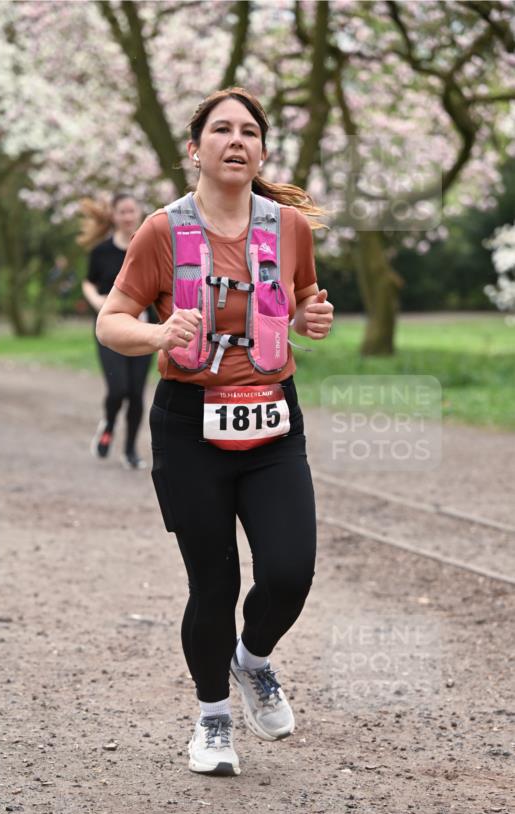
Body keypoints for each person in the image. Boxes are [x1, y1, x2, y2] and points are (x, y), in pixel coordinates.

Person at [97, 88, 334, 776]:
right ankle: (211, 721)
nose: (237, 140)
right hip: (188, 426)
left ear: (261, 151)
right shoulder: (162, 231)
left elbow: (299, 303)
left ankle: (251, 659)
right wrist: (154, 332)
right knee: (213, 583)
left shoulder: (288, 228)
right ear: (194, 150)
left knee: (289, 572)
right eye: (221, 130)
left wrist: (307, 321)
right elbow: (110, 319)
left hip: (271, 418)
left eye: (249, 132)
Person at [80, 194, 155, 471]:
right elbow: (88, 282)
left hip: (144, 328)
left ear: (139, 213)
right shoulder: (101, 252)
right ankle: (109, 424)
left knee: (136, 393)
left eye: (131, 211)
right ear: (113, 215)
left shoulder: (149, 247)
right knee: (118, 388)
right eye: (121, 212)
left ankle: (130, 450)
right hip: (110, 330)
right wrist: (98, 302)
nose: (127, 216)